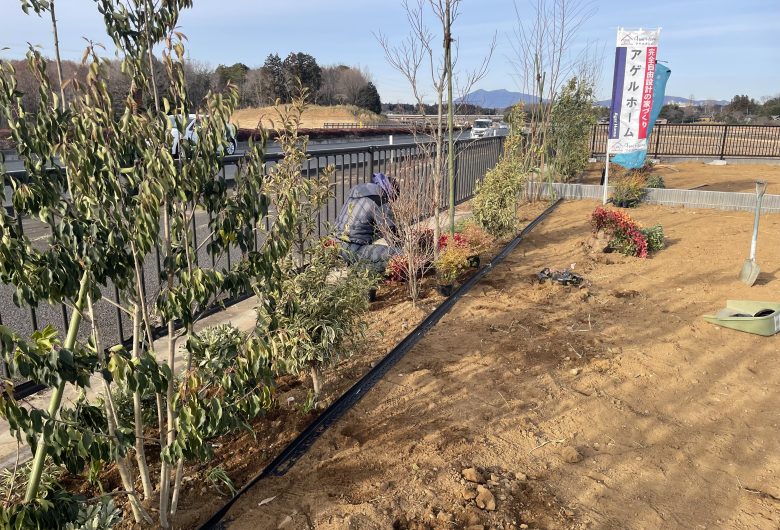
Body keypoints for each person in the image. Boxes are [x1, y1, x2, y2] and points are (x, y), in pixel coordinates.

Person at [333, 172, 400, 274]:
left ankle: (357, 271)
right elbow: (391, 233)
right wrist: (404, 250)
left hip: (335, 244)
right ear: (391, 193)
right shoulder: (379, 200)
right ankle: (366, 276)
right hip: (354, 249)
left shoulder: (357, 194)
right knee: (397, 253)